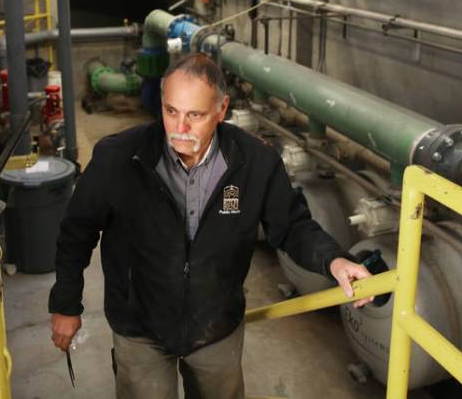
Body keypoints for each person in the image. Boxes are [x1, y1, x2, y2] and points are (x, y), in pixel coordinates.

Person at [49, 53, 372, 399]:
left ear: (222, 109)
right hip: (139, 327)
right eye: (171, 111)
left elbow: (292, 225)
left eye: (195, 115)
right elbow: (77, 230)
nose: (180, 128)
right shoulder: (119, 158)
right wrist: (66, 303)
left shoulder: (255, 162)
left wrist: (334, 260)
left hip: (216, 328)